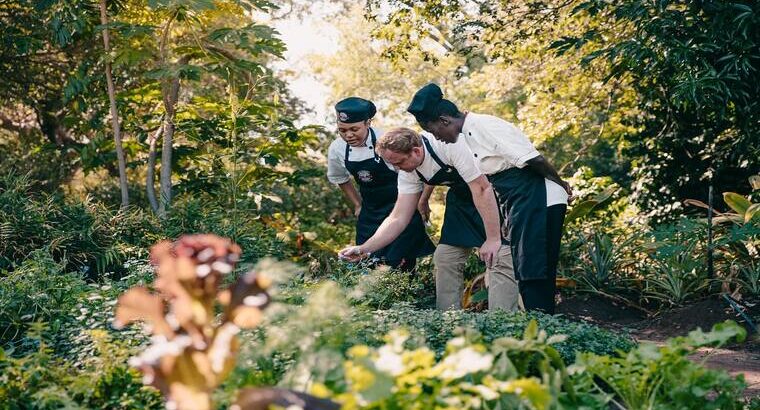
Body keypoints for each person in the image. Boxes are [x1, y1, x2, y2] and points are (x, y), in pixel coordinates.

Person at [406, 83, 572, 314]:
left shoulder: (485, 125)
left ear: (444, 120)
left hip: (539, 196)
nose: (438, 138)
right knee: (525, 268)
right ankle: (535, 332)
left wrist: (561, 184)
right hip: (517, 200)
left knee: (535, 269)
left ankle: (544, 332)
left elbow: (535, 159)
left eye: (435, 132)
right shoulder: (467, 136)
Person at [339, 127, 519, 311]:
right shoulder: (409, 171)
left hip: (493, 195)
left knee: (499, 256)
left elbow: (482, 188)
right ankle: (448, 321)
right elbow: (398, 217)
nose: (396, 169)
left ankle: (502, 323)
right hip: (461, 202)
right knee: (445, 258)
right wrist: (364, 248)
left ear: (416, 151)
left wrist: (492, 239)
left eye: (399, 162)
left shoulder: (449, 143)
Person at [327, 97, 435, 271]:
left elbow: (416, 171)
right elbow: (340, 178)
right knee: (367, 261)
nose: (348, 135)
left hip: (401, 203)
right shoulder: (337, 148)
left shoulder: (386, 140)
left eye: (354, 129)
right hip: (370, 209)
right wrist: (357, 204)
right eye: (342, 130)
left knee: (401, 262)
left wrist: (423, 200)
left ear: (368, 123)